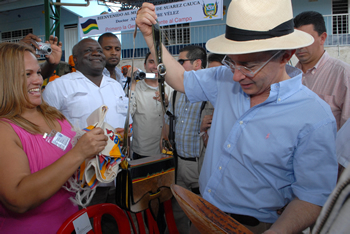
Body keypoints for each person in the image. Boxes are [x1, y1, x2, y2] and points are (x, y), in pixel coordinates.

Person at [136, 1, 338, 233]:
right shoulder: (223, 80)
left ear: (285, 55)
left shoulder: (314, 117)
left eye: (249, 65)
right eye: (232, 62)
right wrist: (151, 36)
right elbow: (181, 79)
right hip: (203, 215)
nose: (236, 76)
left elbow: (311, 197)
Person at [0, 42, 107, 233]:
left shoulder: (51, 113)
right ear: (6, 80)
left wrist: (99, 144)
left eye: (38, 73)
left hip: (74, 221)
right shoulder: (5, 129)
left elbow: (68, 158)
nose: (38, 80)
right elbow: (17, 199)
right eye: (27, 74)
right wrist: (79, 152)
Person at [43, 38, 130, 233]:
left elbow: (125, 119)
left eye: (99, 50)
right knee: (84, 226)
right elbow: (46, 132)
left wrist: (125, 132)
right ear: (75, 59)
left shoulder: (115, 86)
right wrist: (77, 143)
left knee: (113, 222)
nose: (97, 53)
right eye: (88, 51)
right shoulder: (59, 87)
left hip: (117, 174)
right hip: (82, 180)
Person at [162, 45, 209, 233]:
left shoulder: (211, 92)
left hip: (200, 165)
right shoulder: (176, 92)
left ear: (197, 64)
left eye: (182, 61)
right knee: (177, 210)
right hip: (178, 162)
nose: (178, 64)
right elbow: (169, 121)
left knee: (201, 213)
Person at [294, 11, 350, 131]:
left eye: (306, 39)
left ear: (322, 38)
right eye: (297, 40)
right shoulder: (289, 76)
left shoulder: (343, 75)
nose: (300, 46)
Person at [129, 52, 172, 159]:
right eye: (151, 62)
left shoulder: (170, 87)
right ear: (144, 65)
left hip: (167, 150)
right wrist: (133, 84)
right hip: (143, 151)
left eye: (159, 63)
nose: (155, 67)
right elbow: (128, 113)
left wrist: (167, 103)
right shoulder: (136, 88)